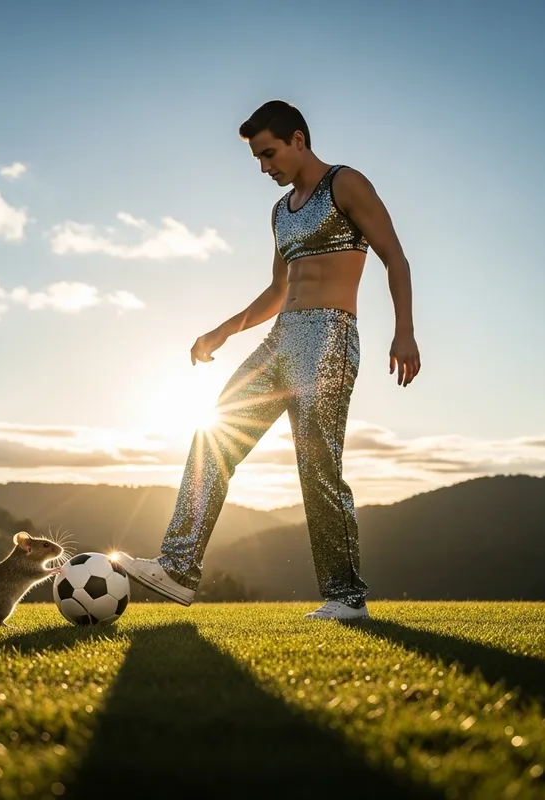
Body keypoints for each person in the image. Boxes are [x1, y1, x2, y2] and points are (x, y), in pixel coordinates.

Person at [115, 100, 420, 620]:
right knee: (214, 436)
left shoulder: (346, 184)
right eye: (258, 158)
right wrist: (222, 331)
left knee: (318, 466)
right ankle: (178, 567)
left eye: (269, 153)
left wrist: (405, 333)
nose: (264, 167)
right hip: (280, 339)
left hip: (328, 337)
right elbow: (278, 291)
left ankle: (346, 599)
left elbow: (395, 254)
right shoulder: (281, 211)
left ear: (298, 139)